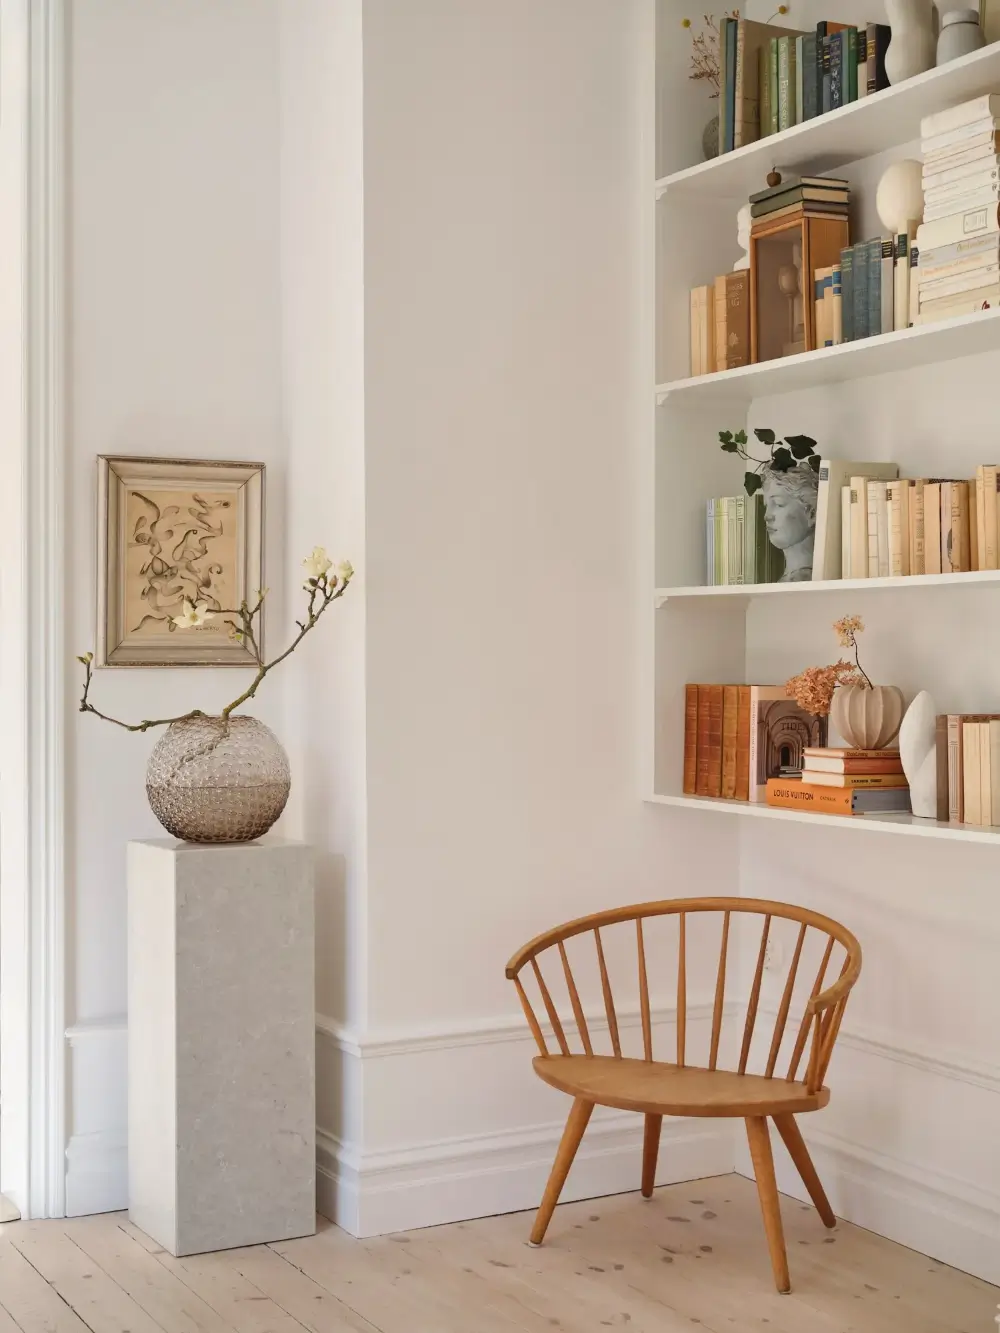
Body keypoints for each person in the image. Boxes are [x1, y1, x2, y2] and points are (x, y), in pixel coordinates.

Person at [762, 464, 818, 582]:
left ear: (812, 513)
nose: (767, 516)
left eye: (778, 504)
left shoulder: (812, 580)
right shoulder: (784, 582)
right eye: (766, 505)